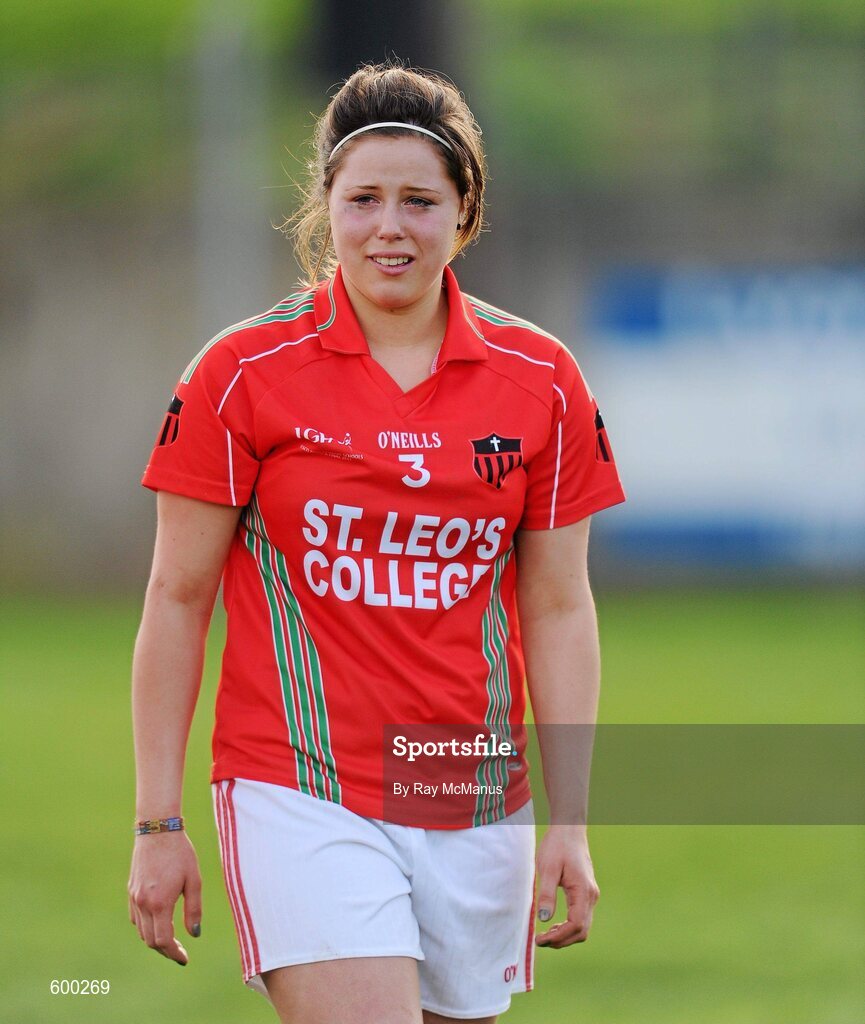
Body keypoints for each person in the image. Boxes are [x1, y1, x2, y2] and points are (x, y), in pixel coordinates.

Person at [128, 61, 625, 1024]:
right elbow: (174, 598)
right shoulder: (241, 374)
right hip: (297, 784)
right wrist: (158, 820)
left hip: (469, 786)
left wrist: (570, 821)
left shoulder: (543, 380)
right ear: (326, 208)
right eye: (361, 200)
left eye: (417, 201)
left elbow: (559, 605)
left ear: (464, 214)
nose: (388, 227)